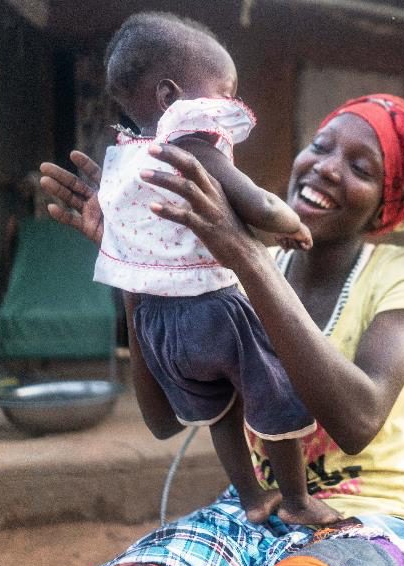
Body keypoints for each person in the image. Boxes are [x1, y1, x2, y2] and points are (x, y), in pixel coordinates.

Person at [39, 92, 404, 566]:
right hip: (252, 509)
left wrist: (247, 256)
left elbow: (359, 420)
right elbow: (164, 419)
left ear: (388, 202)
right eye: (320, 146)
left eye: (361, 168)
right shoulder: (225, 259)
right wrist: (138, 264)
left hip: (372, 522)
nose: (328, 168)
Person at [89, 12, 332, 527]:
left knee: (222, 411)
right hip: (213, 313)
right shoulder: (190, 138)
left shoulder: (126, 162)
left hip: (157, 327)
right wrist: (290, 224)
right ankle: (295, 499)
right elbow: (257, 205)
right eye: (224, 91)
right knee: (274, 392)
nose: (229, 104)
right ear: (170, 96)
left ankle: (249, 494)